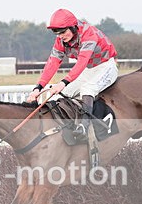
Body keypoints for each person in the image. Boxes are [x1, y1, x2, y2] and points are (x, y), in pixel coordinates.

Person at [26, 9, 118, 141]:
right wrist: (38, 88)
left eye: (63, 32)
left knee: (87, 89)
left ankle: (84, 126)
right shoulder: (61, 40)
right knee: (61, 93)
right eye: (57, 33)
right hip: (89, 69)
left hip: (106, 66)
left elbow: (81, 62)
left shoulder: (88, 34)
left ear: (73, 27)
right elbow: (52, 63)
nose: (60, 36)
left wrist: (63, 82)